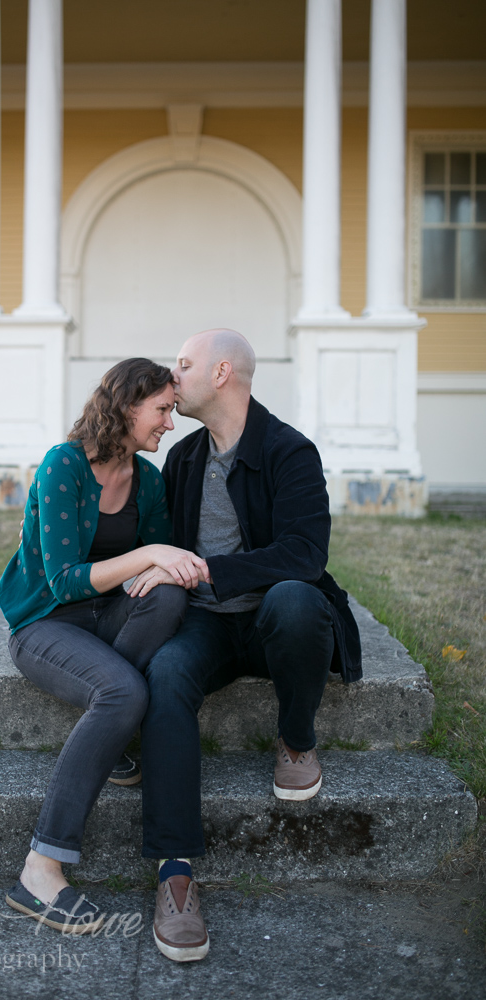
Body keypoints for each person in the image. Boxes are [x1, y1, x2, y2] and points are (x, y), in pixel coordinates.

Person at [125, 329, 362, 963]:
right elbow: (146, 532)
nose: (173, 379)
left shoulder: (290, 452)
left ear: (223, 372)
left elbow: (305, 554)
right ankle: (175, 873)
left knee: (295, 598)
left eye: (183, 365)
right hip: (205, 626)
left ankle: (295, 739)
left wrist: (210, 571)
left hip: (273, 623)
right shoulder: (184, 460)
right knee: (167, 675)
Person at [0, 358, 209, 934]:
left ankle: (110, 736)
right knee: (122, 692)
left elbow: (160, 567)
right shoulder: (63, 466)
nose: (169, 422)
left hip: (106, 616)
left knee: (166, 598)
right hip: (46, 622)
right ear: (126, 404)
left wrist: (163, 565)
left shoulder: (149, 479)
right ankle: (40, 870)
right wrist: (151, 556)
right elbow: (64, 578)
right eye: (162, 410)